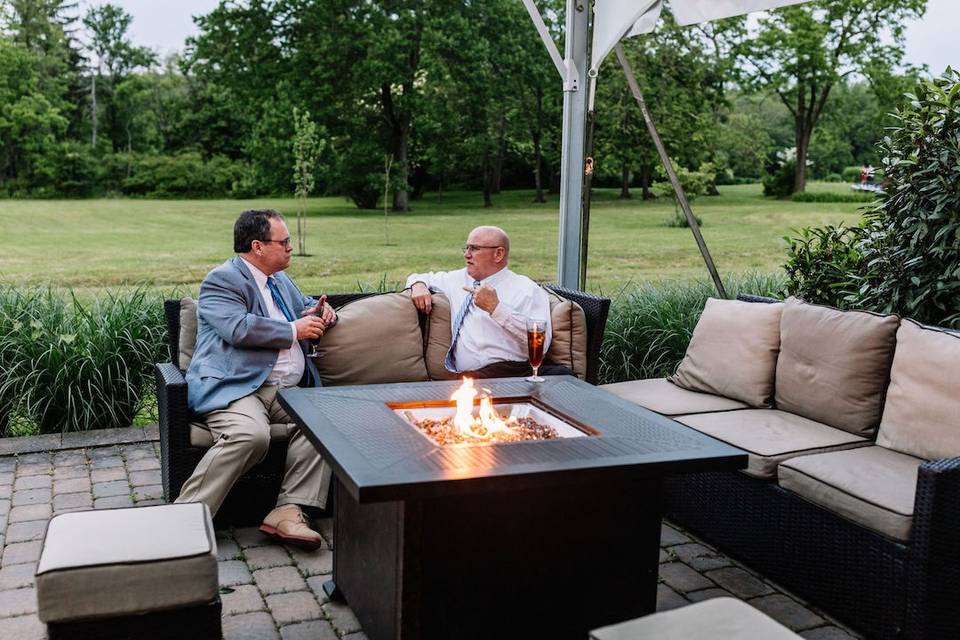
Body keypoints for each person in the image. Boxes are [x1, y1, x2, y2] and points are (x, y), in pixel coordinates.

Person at [176, 209, 335, 550]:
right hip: (237, 387)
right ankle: (184, 518)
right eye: (285, 241)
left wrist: (319, 311)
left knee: (323, 422)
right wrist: (295, 329)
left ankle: (289, 511)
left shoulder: (278, 279)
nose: (292, 247)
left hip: (282, 391)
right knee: (251, 435)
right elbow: (237, 327)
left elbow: (302, 305)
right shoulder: (222, 280)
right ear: (258, 246)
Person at [406, 225, 570, 378]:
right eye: (467, 247)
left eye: (475, 248)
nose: (467, 254)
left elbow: (540, 345)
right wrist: (418, 285)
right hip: (468, 378)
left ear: (498, 254)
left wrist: (496, 308)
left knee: (563, 378)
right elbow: (419, 276)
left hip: (511, 373)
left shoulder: (527, 290)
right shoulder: (457, 279)